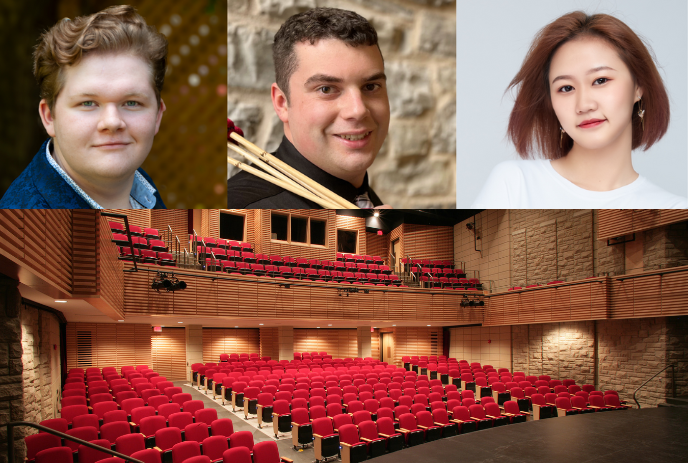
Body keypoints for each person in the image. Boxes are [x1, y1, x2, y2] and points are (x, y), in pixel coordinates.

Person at [472, 11, 687, 208]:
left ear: (638, 86)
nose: (584, 105)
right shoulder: (514, 185)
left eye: (600, 80)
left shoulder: (674, 207)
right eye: (566, 88)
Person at [0, 5, 167, 209]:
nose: (112, 122)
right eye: (88, 103)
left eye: (132, 102)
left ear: (157, 115)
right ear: (49, 117)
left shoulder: (141, 189)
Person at [227, 8, 391, 209]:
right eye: (326, 89)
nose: (357, 110)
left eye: (370, 86)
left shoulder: (364, 199)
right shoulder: (238, 211)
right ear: (282, 103)